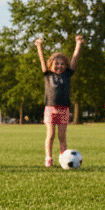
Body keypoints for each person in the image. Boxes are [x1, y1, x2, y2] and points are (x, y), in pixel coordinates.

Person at [35, 35, 83, 167]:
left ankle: (64, 158)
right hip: (50, 109)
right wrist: (39, 46)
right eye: (57, 63)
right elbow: (42, 60)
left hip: (64, 110)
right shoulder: (47, 74)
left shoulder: (68, 74)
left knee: (62, 137)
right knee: (50, 135)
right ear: (51, 65)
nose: (59, 66)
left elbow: (75, 59)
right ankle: (48, 158)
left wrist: (78, 44)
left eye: (62, 64)